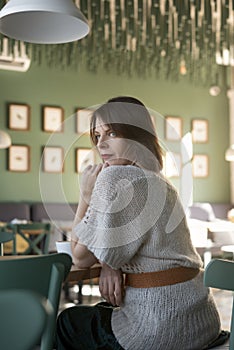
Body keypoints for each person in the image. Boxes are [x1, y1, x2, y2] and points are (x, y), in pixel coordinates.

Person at [56, 96, 228, 350]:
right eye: (97, 136)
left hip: (158, 328)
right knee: (103, 310)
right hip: (202, 322)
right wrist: (108, 263)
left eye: (111, 132)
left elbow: (80, 259)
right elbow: (126, 241)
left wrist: (84, 196)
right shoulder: (161, 182)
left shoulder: (113, 178)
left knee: (68, 320)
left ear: (136, 134)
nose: (101, 144)